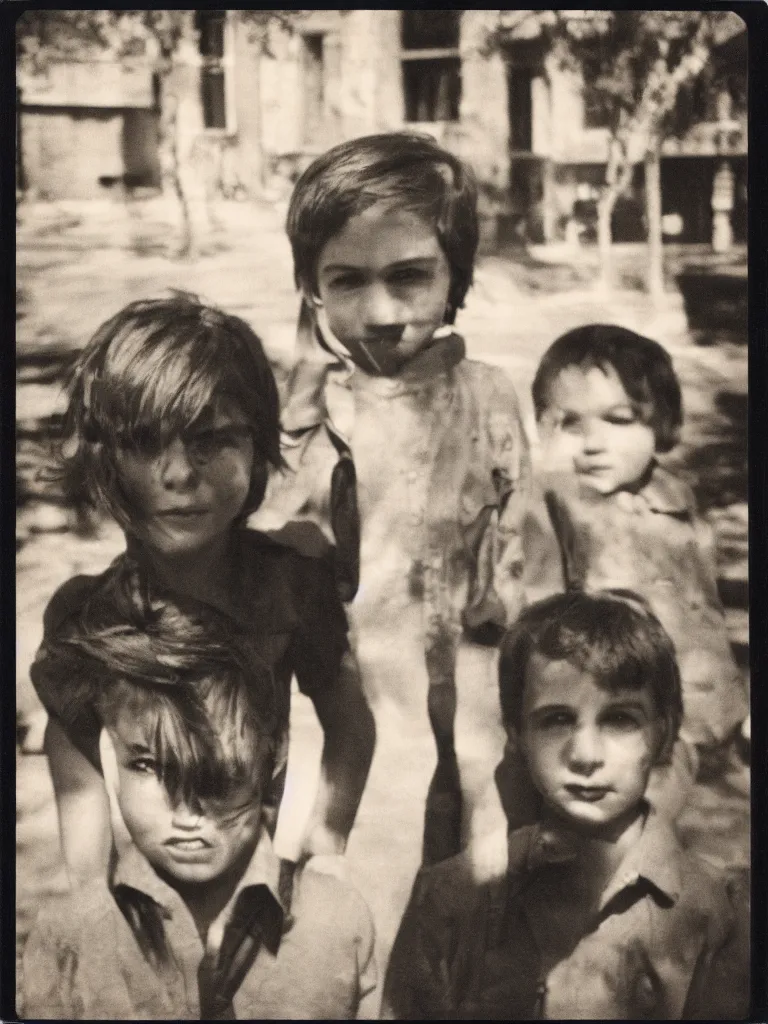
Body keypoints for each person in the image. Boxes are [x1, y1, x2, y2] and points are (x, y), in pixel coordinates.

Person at [248, 131, 531, 987]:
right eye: (346, 282)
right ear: (311, 291)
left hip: (477, 718)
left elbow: (531, 559)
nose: (379, 312)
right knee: (350, 933)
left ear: (456, 278)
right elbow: (262, 540)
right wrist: (296, 405)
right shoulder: (305, 407)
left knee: (474, 928)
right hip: (351, 725)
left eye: (409, 275)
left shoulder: (488, 396)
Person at [30, 293, 375, 889]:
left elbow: (348, 721)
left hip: (260, 887)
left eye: (211, 440)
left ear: (258, 446)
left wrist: (324, 849)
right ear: (102, 458)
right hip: (144, 893)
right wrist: (89, 886)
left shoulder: (290, 585)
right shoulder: (86, 615)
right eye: (142, 443)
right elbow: (73, 744)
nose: (179, 474)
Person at [382, 590, 749, 1020]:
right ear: (516, 734)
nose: (586, 755)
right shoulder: (451, 901)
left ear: (662, 734)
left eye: (619, 720)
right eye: (556, 719)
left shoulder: (720, 915)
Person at [22, 590, 376, 1019]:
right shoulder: (67, 937)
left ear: (275, 755)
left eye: (220, 769)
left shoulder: (338, 924)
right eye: (147, 765)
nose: (187, 814)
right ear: (109, 759)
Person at [526, 324, 749, 811]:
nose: (592, 443)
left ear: (663, 424)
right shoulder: (553, 508)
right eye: (569, 423)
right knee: (643, 843)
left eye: (619, 419)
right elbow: (538, 631)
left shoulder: (675, 497)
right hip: (619, 731)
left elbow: (702, 609)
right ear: (542, 428)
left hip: (707, 721)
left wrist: (733, 701)